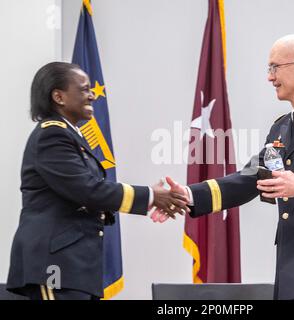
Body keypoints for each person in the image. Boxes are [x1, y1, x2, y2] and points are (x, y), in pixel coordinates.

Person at [152, 34, 294, 300]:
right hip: (291, 268)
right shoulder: (281, 126)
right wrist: (188, 195)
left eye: (274, 68)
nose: (270, 78)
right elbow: (249, 178)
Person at [7, 62, 189, 300]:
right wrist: (153, 196)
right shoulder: (52, 135)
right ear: (59, 96)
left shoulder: (69, 134)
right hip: (54, 266)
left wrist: (155, 198)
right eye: (83, 89)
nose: (92, 95)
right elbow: (87, 190)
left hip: (74, 266)